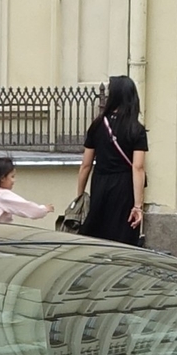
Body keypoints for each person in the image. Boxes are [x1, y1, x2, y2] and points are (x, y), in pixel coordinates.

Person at [73, 75, 149, 245]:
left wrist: (79, 196)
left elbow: (86, 165)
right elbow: (137, 167)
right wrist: (137, 206)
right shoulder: (136, 129)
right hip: (124, 187)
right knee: (123, 237)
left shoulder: (97, 125)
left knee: (99, 235)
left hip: (100, 183)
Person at [0, 156, 51, 223]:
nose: (14, 180)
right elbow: (25, 207)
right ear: (2, 178)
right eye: (12, 176)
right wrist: (44, 209)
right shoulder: (2, 195)